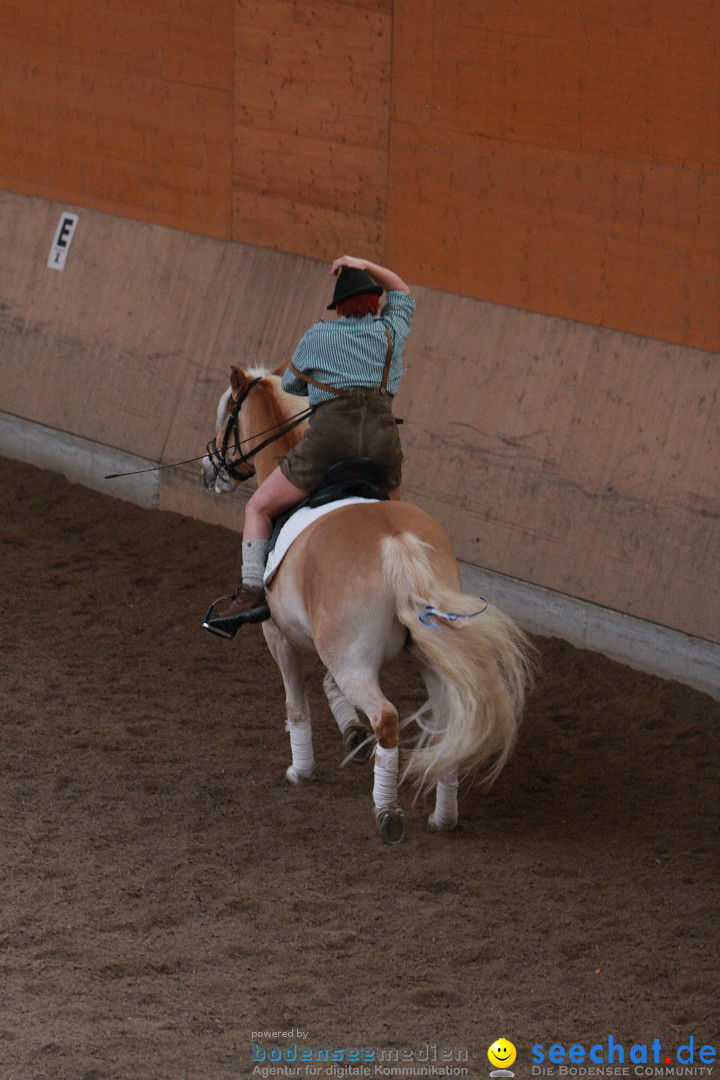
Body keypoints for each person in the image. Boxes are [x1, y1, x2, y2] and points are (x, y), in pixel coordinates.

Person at [205, 255, 415, 635]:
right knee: (392, 523)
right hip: (384, 446)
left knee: (258, 508)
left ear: (339, 308)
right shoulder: (391, 331)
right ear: (373, 301)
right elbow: (401, 288)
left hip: (329, 444)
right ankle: (410, 593)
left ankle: (251, 593)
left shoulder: (319, 336)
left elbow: (291, 387)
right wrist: (361, 262)